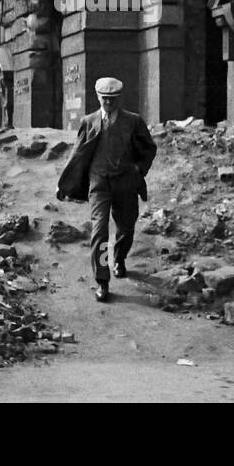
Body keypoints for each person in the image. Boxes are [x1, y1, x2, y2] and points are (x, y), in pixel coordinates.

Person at [56, 77, 157, 302]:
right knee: (99, 232)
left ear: (119, 98)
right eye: (105, 99)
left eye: (112, 99)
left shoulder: (133, 121)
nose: (108, 103)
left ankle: (119, 259)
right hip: (99, 183)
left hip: (125, 182)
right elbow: (77, 154)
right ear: (97, 97)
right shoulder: (89, 121)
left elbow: (149, 148)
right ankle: (102, 280)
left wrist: (138, 169)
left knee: (126, 227)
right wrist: (64, 183)